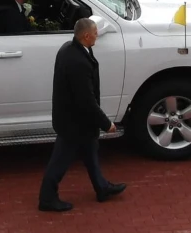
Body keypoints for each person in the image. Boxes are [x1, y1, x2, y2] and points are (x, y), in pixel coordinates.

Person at [37, 17, 125, 212]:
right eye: (95, 33)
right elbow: (86, 100)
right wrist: (105, 123)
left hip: (76, 122)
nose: (97, 36)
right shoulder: (79, 62)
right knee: (59, 162)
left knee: (91, 153)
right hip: (74, 124)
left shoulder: (69, 49)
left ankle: (102, 188)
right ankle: (47, 198)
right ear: (86, 36)